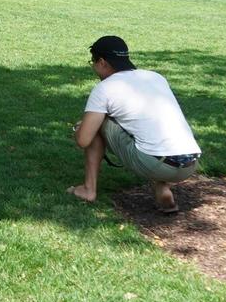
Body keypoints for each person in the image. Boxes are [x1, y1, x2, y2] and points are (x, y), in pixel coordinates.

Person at [69, 36, 202, 214]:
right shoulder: (155, 77)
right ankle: (162, 188)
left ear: (102, 62)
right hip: (190, 163)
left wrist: (81, 127)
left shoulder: (105, 88)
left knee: (93, 127)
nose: (93, 67)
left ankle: (88, 190)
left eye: (93, 62)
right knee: (148, 134)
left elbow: (83, 140)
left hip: (155, 164)